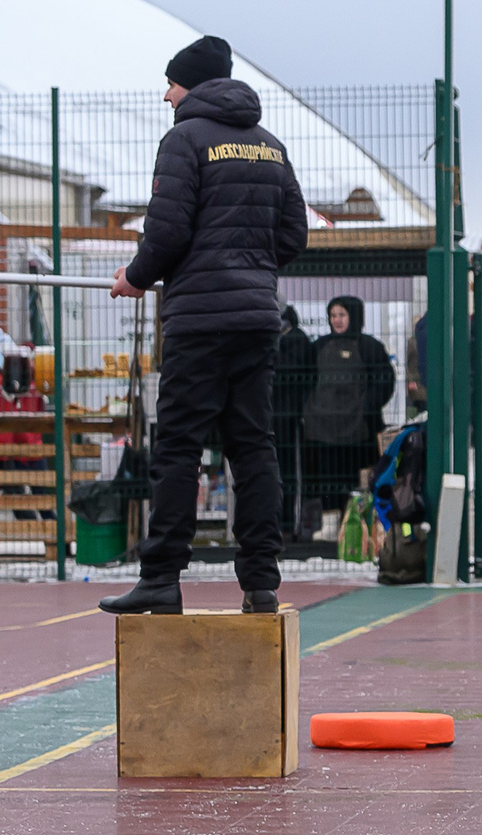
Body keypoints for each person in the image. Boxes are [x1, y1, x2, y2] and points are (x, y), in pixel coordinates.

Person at [100, 36, 306, 616]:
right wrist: (248, 265)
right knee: (253, 447)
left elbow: (164, 231)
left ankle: (161, 576)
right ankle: (261, 584)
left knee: (179, 449)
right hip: (256, 321)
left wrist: (136, 278)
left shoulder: (184, 139)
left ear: (191, 84)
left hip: (198, 323)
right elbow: (293, 236)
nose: (165, 94)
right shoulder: (269, 146)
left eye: (170, 82)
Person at [303, 296, 394, 536]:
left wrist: (366, 409)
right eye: (333, 315)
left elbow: (384, 381)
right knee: (328, 477)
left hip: (359, 431)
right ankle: (331, 524)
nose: (337, 320)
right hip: (324, 430)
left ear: (354, 316)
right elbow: (305, 381)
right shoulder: (320, 346)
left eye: (342, 315)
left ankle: (360, 527)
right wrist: (311, 411)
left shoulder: (369, 347)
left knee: (359, 478)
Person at [273, 302, 316, 537]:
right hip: (276, 414)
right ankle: (280, 523)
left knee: (288, 471)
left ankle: (289, 524)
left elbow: (302, 377)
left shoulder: (295, 340)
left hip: (287, 417)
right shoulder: (280, 339)